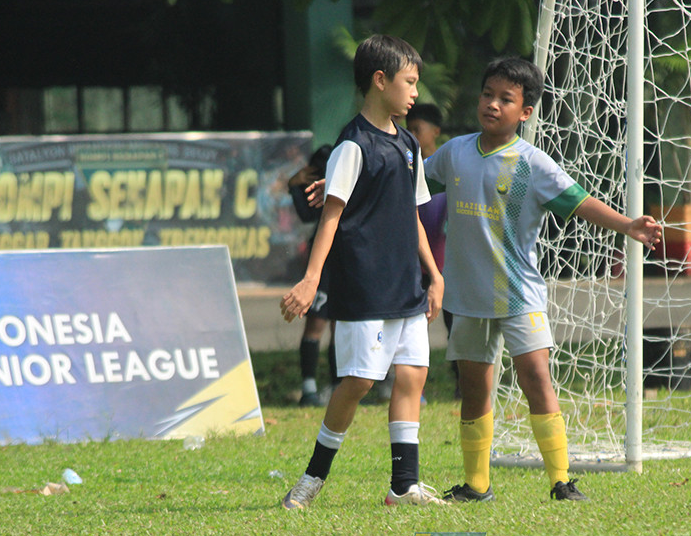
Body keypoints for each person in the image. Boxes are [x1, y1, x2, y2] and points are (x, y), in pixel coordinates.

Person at [422, 57, 662, 503]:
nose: (492, 104)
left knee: (536, 378)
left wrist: (627, 225)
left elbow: (580, 201)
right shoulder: (454, 153)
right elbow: (411, 180)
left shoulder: (533, 164)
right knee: (473, 389)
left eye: (505, 99)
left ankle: (561, 481)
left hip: (519, 295)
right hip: (467, 298)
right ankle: (476, 484)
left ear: (526, 112)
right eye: (487, 94)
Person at [279, 34, 445, 509]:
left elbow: (413, 215)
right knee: (357, 382)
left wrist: (433, 274)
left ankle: (403, 486)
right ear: (380, 81)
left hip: (407, 285)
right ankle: (311, 479)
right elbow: (330, 217)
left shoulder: (409, 143)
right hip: (366, 285)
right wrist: (311, 279)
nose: (415, 92)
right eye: (409, 82)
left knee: (412, 376)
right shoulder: (353, 145)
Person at [406, 103, 460, 399]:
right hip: (416, 264)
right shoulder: (406, 168)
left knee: (456, 327)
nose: (412, 135)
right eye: (409, 129)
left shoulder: (447, 169)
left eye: (418, 129)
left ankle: (463, 386)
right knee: (414, 328)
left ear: (435, 132)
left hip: (447, 264)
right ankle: (415, 391)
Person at [287, 144, 337, 407]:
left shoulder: (353, 184)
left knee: (341, 325)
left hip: (350, 262)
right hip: (324, 266)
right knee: (316, 324)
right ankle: (309, 389)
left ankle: (339, 386)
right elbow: (308, 215)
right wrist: (295, 187)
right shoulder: (319, 192)